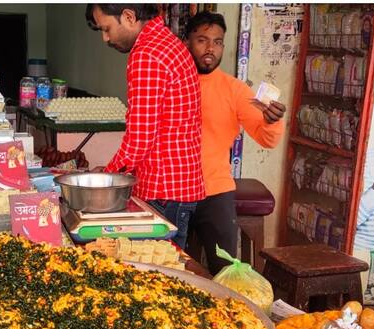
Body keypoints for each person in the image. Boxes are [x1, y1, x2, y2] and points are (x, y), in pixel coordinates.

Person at [86, 4, 205, 249]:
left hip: (164, 191)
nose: (105, 38)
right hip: (177, 186)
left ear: (129, 17)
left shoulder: (148, 54)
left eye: (107, 29)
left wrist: (106, 179)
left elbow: (139, 141)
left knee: (156, 266)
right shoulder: (168, 43)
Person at [184, 11, 286, 274]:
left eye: (217, 42)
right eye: (202, 40)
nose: (210, 48)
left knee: (227, 271)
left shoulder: (235, 90)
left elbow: (266, 139)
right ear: (187, 42)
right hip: (173, 190)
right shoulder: (172, 83)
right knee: (168, 268)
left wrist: (272, 120)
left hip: (215, 189)